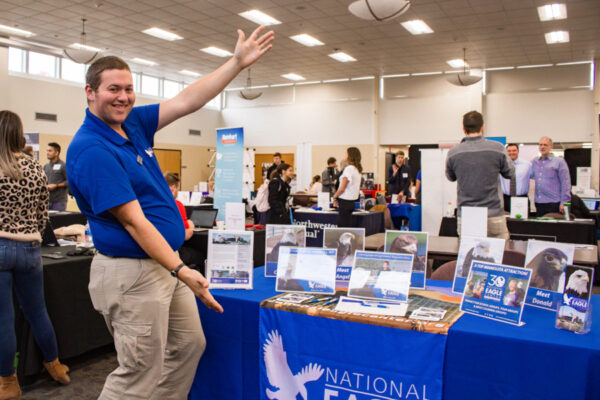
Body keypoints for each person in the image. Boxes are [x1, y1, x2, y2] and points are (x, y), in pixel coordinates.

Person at [66, 25, 273, 400]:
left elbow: (186, 100)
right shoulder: (92, 148)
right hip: (133, 271)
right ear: (90, 92)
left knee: (189, 346)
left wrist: (236, 63)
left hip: (162, 264)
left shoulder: (131, 125)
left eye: (128, 88)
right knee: (138, 373)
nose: (123, 96)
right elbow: (134, 222)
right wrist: (182, 269)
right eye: (113, 89)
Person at [0, 111, 71, 399]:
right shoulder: (35, 168)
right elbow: (44, 216)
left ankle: (7, 383)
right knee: (37, 311)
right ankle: (55, 366)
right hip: (31, 249)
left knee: (3, 319)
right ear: (20, 135)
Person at [446, 111, 514, 239]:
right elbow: (510, 173)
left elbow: (450, 177)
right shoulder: (498, 148)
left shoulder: (453, 152)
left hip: (467, 215)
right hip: (493, 214)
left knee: (469, 255)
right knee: (499, 255)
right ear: (482, 127)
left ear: (463, 129)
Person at [530, 136, 571, 216]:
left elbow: (565, 183)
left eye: (545, 145)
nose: (542, 147)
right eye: (540, 145)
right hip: (538, 203)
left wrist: (564, 202)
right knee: (539, 227)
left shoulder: (559, 162)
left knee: (553, 228)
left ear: (551, 147)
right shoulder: (534, 162)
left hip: (554, 203)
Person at [333, 147, 363, 228]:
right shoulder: (357, 169)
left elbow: (342, 188)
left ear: (350, 155)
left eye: (346, 153)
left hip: (345, 202)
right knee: (347, 225)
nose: (344, 155)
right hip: (351, 202)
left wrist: (335, 196)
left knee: (342, 227)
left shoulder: (349, 169)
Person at [500, 143, 531, 212]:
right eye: (509, 151)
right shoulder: (501, 165)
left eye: (514, 150)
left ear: (518, 151)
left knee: (522, 222)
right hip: (506, 198)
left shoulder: (527, 165)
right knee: (506, 221)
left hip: (522, 198)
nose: (512, 153)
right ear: (506, 152)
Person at [43, 142, 68, 211]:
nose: (47, 152)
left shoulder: (63, 166)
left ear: (56, 153)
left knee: (58, 221)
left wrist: (56, 185)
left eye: (50, 151)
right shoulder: (46, 166)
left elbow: (69, 181)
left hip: (59, 201)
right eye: (47, 150)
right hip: (47, 201)